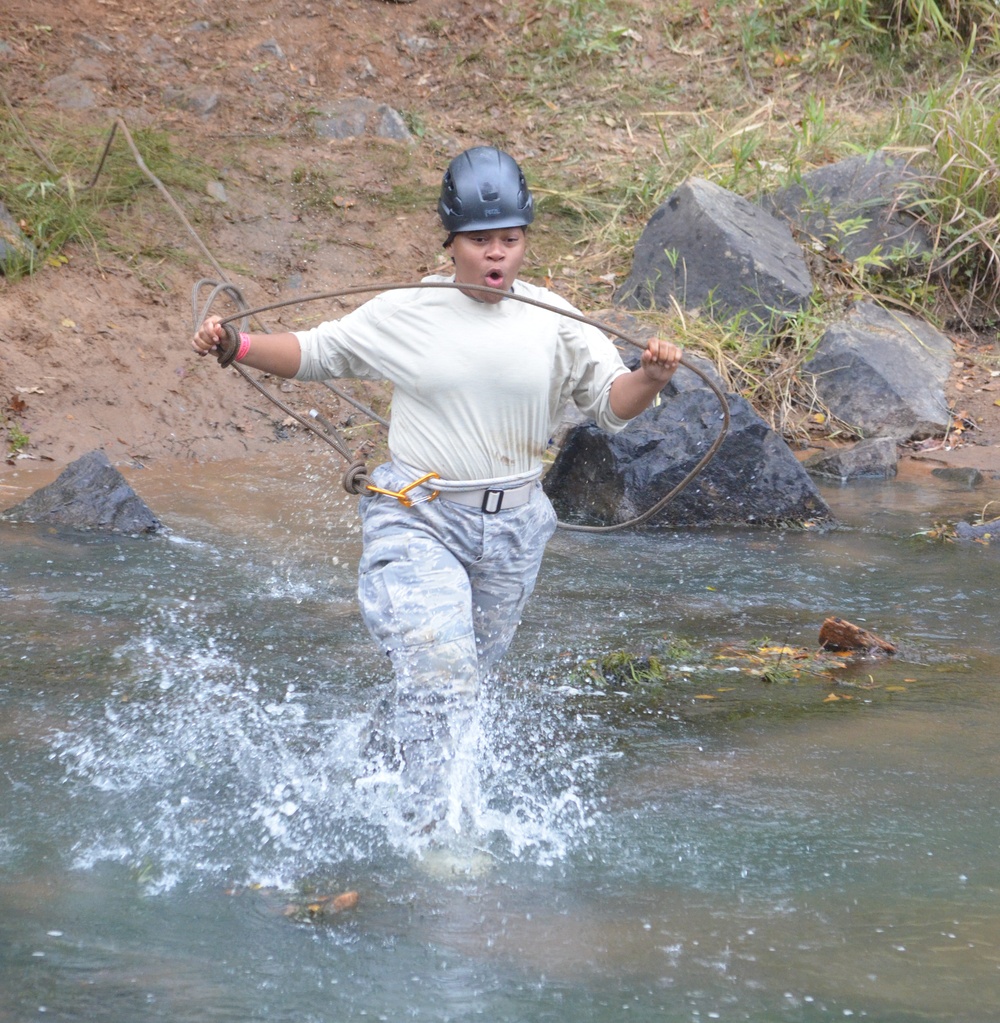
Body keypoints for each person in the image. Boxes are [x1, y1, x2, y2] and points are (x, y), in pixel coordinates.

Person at [192, 146, 681, 831]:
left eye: (510, 239)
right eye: (480, 240)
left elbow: (610, 402)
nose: (497, 255)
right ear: (450, 241)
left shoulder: (556, 320)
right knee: (442, 676)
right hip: (417, 516)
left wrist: (651, 378)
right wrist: (235, 346)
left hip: (513, 527)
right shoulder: (409, 310)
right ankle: (432, 833)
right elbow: (319, 351)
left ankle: (373, 771)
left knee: (459, 685)